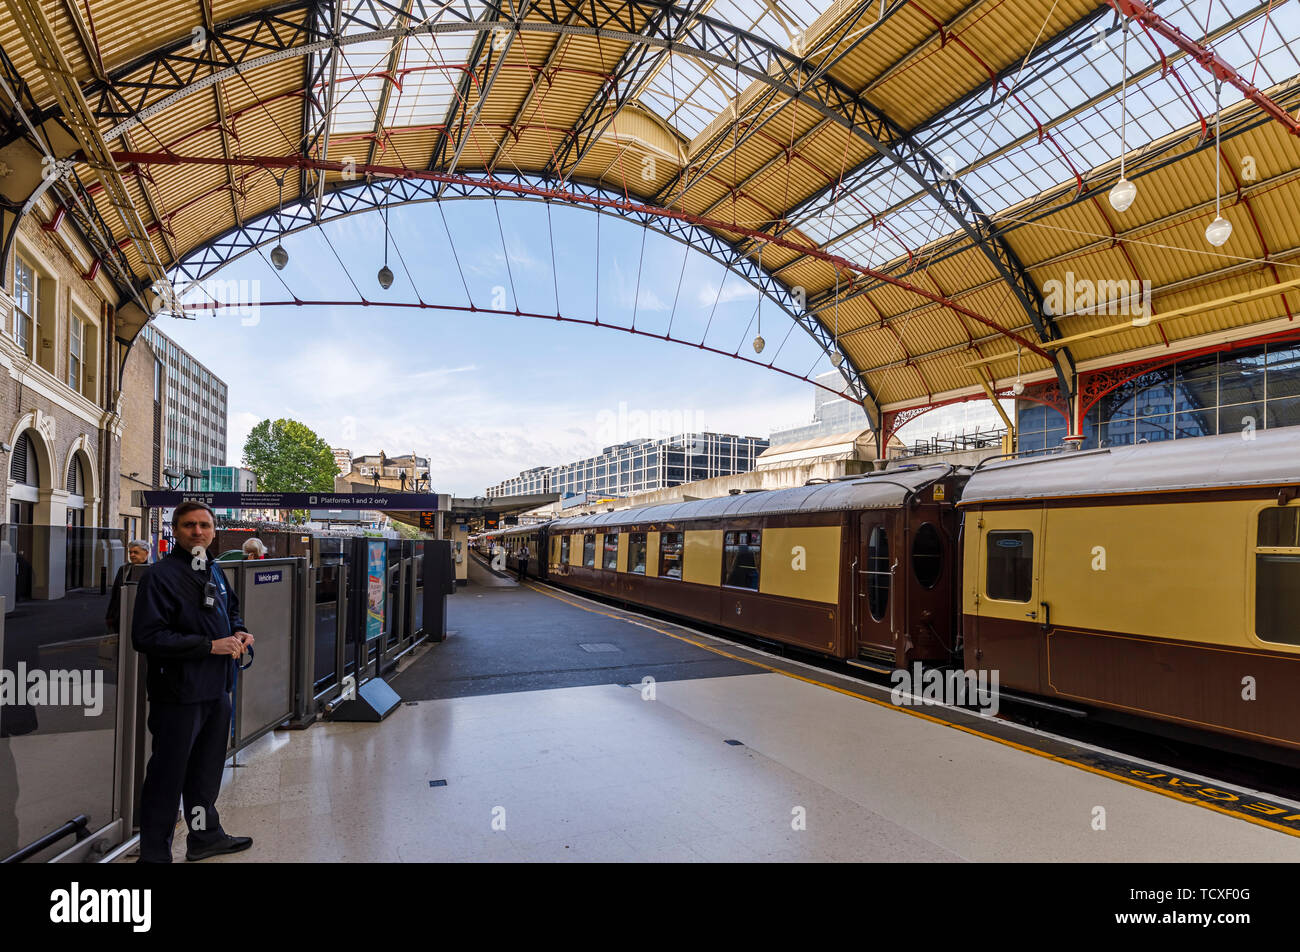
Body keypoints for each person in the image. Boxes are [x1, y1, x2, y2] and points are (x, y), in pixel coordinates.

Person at [132, 501, 255, 863]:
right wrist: (208, 645)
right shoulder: (159, 576)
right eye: (189, 526)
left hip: (217, 689)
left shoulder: (213, 570)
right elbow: (148, 636)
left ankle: (203, 837)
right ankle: (154, 855)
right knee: (167, 778)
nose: (198, 531)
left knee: (204, 773)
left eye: (204, 525)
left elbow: (229, 609)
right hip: (180, 694)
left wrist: (239, 630)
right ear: (176, 530)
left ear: (214, 530)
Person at [106, 539, 151, 633]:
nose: (132, 555)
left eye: (136, 552)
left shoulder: (152, 571)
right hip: (122, 614)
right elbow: (115, 594)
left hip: (144, 616)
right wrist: (110, 615)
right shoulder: (123, 570)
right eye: (130, 552)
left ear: (146, 553)